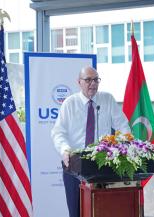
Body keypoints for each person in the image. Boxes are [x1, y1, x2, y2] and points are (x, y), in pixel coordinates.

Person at [51, 66, 130, 217]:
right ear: (79, 82)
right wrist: (65, 149)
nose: (92, 83)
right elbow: (58, 132)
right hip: (74, 166)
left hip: (102, 166)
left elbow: (123, 126)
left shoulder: (107, 99)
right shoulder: (70, 103)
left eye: (96, 80)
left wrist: (123, 147)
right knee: (76, 211)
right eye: (88, 80)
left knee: (102, 210)